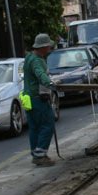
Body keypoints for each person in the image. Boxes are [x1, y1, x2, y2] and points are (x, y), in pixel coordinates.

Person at [23, 33, 57, 166]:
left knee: (35, 127)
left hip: (29, 97)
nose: (50, 49)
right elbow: (40, 74)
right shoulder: (37, 60)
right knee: (47, 124)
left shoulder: (29, 57)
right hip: (37, 98)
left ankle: (36, 153)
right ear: (43, 47)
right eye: (48, 46)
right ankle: (40, 155)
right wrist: (50, 84)